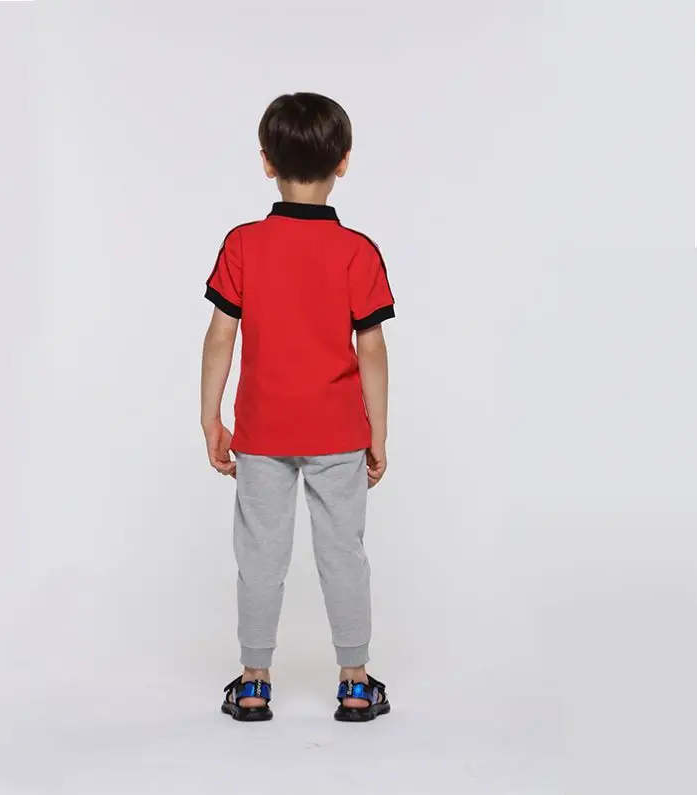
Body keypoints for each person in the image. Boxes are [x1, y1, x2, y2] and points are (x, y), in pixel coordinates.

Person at [200, 93, 394, 723]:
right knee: (343, 554)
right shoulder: (356, 251)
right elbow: (371, 348)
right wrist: (378, 432)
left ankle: (254, 682)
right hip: (338, 431)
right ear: (343, 162)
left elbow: (221, 336)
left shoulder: (243, 245)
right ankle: (355, 683)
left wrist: (211, 417)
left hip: (262, 432)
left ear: (266, 162)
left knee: (260, 555)